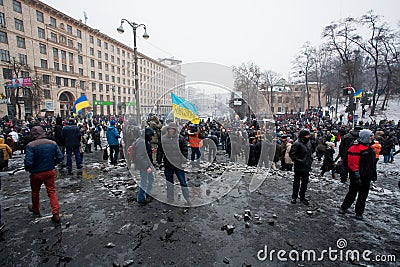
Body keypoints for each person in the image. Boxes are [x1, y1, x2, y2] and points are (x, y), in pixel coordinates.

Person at [24, 126, 64, 223]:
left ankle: (36, 209)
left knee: (35, 192)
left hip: (36, 173)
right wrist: (52, 164)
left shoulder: (30, 145)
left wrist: (30, 168)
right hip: (49, 171)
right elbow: (60, 157)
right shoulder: (52, 143)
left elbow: (28, 163)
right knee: (52, 192)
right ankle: (56, 213)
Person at [339, 129, 376, 220]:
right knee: (352, 193)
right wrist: (356, 176)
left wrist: (373, 174)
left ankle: (359, 212)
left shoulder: (369, 148)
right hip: (358, 175)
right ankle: (344, 208)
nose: (372, 137)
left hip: (366, 175)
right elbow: (352, 164)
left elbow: (371, 164)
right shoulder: (355, 148)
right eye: (370, 136)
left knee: (363, 195)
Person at [157, 122, 191, 205]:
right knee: (169, 183)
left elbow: (185, 150)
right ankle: (170, 198)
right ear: (168, 130)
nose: (171, 131)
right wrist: (159, 161)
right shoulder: (163, 139)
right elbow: (160, 151)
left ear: (175, 130)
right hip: (168, 164)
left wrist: (184, 161)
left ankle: (187, 198)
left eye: (173, 129)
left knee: (183, 182)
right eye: (170, 129)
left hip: (178, 164)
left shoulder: (180, 138)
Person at [289, 129, 313, 205]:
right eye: (307, 135)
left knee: (305, 183)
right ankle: (294, 197)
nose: (308, 137)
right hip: (299, 167)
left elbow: (310, 152)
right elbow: (292, 155)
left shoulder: (308, 143)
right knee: (296, 182)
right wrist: (301, 161)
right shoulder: (297, 144)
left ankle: (302, 196)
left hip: (307, 166)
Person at [133, 127, 155, 205]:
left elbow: (143, 153)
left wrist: (150, 151)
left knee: (150, 179)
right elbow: (140, 156)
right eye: (151, 136)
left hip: (146, 165)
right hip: (144, 166)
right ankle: (141, 198)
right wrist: (147, 167)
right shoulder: (142, 142)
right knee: (144, 181)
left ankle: (148, 193)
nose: (152, 138)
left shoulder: (143, 141)